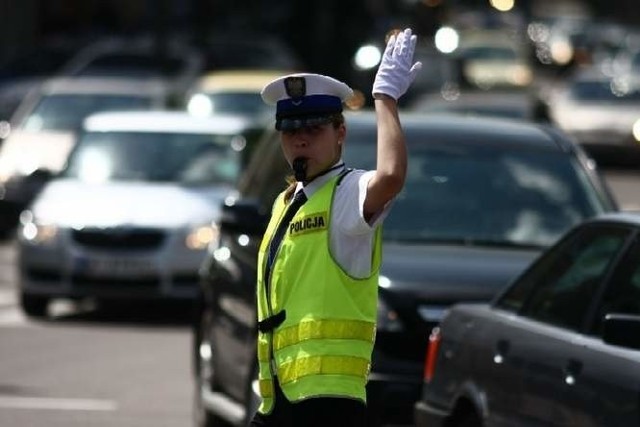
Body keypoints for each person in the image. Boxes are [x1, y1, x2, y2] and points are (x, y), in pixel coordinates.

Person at [251, 28, 422, 427]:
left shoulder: (347, 192)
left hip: (327, 402)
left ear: (340, 133)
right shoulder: (287, 201)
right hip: (280, 397)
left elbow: (392, 176)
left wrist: (385, 99)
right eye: (292, 131)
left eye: (314, 129)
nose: (301, 141)